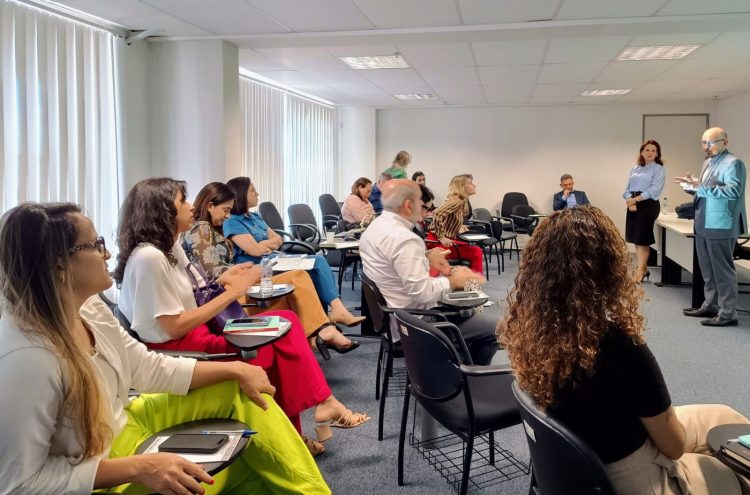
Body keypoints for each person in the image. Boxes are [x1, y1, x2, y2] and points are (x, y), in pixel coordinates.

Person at [0, 202, 330, 495]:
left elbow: (143, 366)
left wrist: (233, 369)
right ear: (59, 267)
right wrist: (141, 467)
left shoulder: (88, 309)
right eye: (96, 244)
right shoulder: (26, 357)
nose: (108, 253)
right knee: (248, 470)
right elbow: (19, 484)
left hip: (123, 421)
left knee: (239, 389)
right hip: (98, 467)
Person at [499, 205, 750, 495]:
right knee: (729, 471)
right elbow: (674, 446)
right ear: (609, 267)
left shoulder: (534, 330)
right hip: (630, 478)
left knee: (723, 415)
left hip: (586, 460)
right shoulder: (618, 345)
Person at [114, 178, 369, 455]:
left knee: (287, 321)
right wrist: (235, 290)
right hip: (182, 348)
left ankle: (315, 412)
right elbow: (173, 327)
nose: (190, 206)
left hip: (198, 334)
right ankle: (308, 421)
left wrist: (227, 277)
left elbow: (197, 288)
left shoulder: (169, 246)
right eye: (182, 201)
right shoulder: (150, 258)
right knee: (275, 346)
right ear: (162, 211)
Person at [182, 181, 358, 354]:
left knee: (298, 279)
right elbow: (214, 272)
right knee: (297, 279)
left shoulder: (213, 228)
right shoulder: (201, 229)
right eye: (225, 210)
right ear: (210, 206)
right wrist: (247, 271)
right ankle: (319, 332)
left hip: (235, 286)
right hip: (225, 295)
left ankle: (317, 333)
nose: (228, 216)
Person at [359, 179, 498, 366]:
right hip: (416, 324)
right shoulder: (404, 239)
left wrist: (424, 257)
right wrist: (453, 281)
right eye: (424, 207)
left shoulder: (375, 228)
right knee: (496, 329)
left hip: (393, 320)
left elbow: (390, 264)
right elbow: (422, 293)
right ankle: (463, 377)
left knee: (469, 314)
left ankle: (455, 367)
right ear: (409, 205)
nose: (426, 214)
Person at [222, 176, 365, 328]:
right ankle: (332, 316)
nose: (257, 194)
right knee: (316, 264)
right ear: (241, 194)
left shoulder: (255, 217)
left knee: (317, 262)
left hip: (275, 259)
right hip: (260, 268)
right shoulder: (233, 221)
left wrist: (266, 243)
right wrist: (267, 244)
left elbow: (279, 239)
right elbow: (255, 251)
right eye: (253, 191)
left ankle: (330, 316)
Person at [677, 127, 747, 327]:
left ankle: (727, 313)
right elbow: (706, 191)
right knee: (707, 270)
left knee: (722, 271)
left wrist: (701, 187)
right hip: (703, 222)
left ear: (725, 142)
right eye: (703, 143)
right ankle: (711, 305)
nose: (706, 147)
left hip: (721, 224)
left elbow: (733, 191)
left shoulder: (733, 163)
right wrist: (692, 187)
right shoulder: (708, 162)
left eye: (710, 142)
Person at [623, 139, 666, 283]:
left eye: (653, 150)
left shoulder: (659, 169)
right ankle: (643, 268)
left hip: (648, 205)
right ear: (642, 152)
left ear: (657, 154)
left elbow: (654, 190)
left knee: (642, 239)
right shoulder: (635, 168)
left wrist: (636, 200)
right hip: (633, 204)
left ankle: (640, 270)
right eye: (647, 150)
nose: (650, 153)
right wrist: (630, 200)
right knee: (636, 238)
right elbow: (627, 189)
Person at [428, 174, 484, 274]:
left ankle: (471, 282)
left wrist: (458, 227)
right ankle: (475, 282)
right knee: (476, 251)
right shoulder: (457, 200)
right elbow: (437, 214)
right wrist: (441, 237)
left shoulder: (460, 201)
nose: (474, 185)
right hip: (437, 243)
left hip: (441, 241)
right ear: (461, 186)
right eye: (470, 183)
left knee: (473, 249)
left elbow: (447, 219)